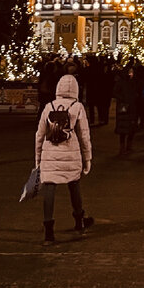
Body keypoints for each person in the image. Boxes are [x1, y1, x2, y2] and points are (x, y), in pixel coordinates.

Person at [35, 73, 94, 245]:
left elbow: (40, 134)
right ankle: (79, 221)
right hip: (71, 152)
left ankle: (48, 232)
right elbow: (84, 135)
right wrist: (87, 157)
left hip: (50, 152)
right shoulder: (78, 107)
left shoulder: (49, 106)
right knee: (74, 185)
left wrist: (38, 157)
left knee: (49, 189)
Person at [113, 62, 139, 155]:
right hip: (124, 107)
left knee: (132, 127)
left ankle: (129, 146)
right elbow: (115, 92)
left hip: (132, 107)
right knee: (123, 128)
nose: (131, 73)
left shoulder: (134, 81)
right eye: (130, 71)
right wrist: (123, 99)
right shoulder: (122, 82)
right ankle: (122, 147)